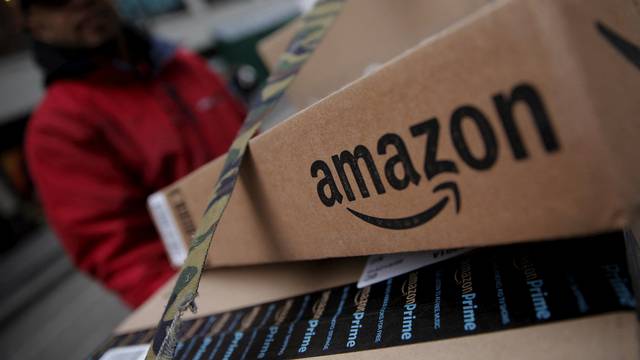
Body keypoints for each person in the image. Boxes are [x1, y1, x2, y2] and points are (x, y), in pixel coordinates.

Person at [22, 0, 246, 308]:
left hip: (291, 247)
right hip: (219, 294)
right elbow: (120, 254)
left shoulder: (183, 65)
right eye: (60, 2)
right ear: (35, 24)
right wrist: (199, 308)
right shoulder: (59, 125)